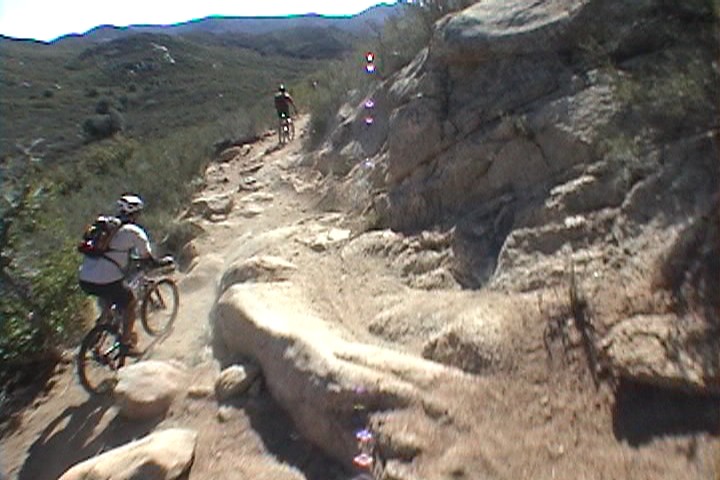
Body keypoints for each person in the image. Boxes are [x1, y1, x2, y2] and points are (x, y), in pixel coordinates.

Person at [78, 193, 171, 352]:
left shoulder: (105, 227)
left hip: (85, 278)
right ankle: (126, 343)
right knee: (130, 303)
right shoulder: (133, 232)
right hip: (106, 279)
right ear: (136, 213)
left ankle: (97, 335)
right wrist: (162, 262)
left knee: (109, 299)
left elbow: (110, 252)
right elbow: (148, 258)